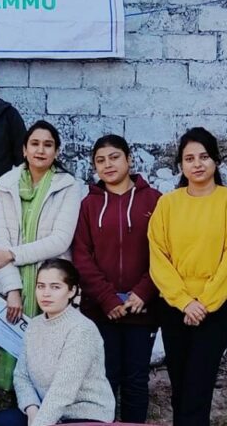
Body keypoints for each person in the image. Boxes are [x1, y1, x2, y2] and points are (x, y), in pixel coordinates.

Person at [149, 127, 227, 426]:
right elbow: (158, 257)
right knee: (179, 384)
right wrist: (184, 301)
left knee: (199, 385)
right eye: (189, 158)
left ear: (216, 161)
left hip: (215, 307)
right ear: (180, 165)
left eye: (204, 157)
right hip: (174, 306)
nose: (197, 164)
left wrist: (203, 303)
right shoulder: (168, 204)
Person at [72, 134, 161, 424]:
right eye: (100, 160)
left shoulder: (154, 200)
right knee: (104, 380)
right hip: (101, 309)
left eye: (114, 157)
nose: (108, 165)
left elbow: (165, 252)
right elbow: (82, 256)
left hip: (142, 308)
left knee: (136, 380)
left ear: (129, 159)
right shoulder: (88, 205)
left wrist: (144, 292)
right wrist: (107, 298)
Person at [0, 120, 82, 390]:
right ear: (24, 149)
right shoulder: (6, 184)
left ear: (56, 151)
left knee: (49, 363)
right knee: (8, 355)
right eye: (35, 144)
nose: (41, 150)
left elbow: (60, 240)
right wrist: (13, 290)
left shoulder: (68, 186)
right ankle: (9, 402)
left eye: (48, 145)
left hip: (51, 286)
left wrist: (13, 254)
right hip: (11, 282)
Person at [0, 259, 115, 426]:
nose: (46, 293)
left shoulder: (82, 329)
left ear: (72, 291)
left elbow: (63, 390)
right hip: (45, 410)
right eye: (41, 286)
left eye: (55, 287)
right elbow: (22, 375)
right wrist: (32, 409)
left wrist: (40, 423)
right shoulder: (34, 325)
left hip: (84, 413)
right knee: (5, 421)